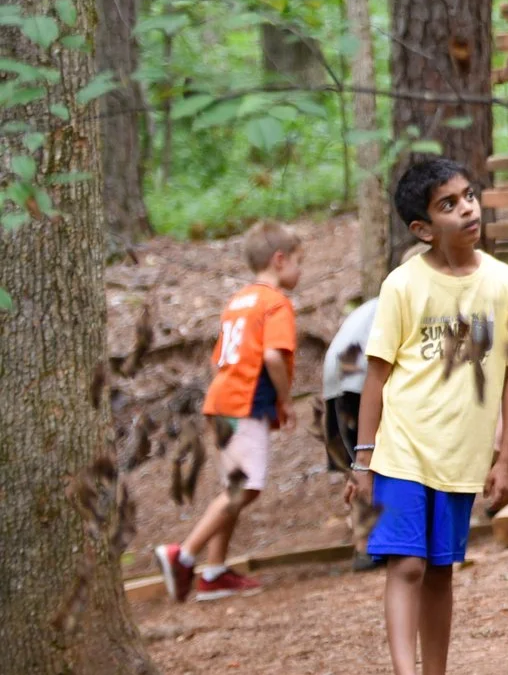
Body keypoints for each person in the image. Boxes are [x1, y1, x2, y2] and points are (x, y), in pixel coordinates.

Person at [347, 155, 508, 675]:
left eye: (468, 197)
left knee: (440, 571)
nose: (467, 209)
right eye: (448, 204)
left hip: (461, 461)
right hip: (403, 450)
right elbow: (376, 377)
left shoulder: (504, 283)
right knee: (405, 564)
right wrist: (362, 461)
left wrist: (506, 460)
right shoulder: (404, 285)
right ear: (423, 229)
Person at [156, 220, 302, 602]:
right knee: (246, 488)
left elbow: (221, 358)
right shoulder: (275, 303)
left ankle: (215, 572)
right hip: (243, 404)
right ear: (279, 259)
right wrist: (285, 401)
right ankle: (183, 556)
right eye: (299, 262)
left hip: (220, 401)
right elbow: (272, 355)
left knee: (232, 489)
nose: (300, 272)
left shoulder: (238, 302)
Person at [321, 293, 383, 565]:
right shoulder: (401, 300)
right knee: (369, 455)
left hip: (336, 376)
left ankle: (365, 542)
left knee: (358, 457)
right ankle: (366, 544)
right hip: (357, 374)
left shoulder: (371, 305)